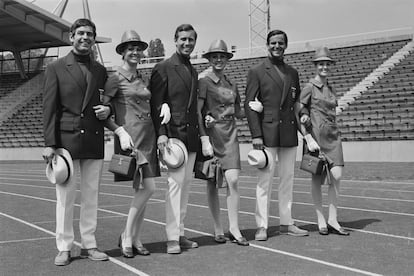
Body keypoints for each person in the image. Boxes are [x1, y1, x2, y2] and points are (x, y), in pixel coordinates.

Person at [42, 18, 110, 266]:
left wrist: (108, 110)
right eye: (80, 33)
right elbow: (49, 107)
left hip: (93, 138)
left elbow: (107, 101)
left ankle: (90, 244)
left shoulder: (101, 70)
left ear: (94, 38)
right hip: (66, 141)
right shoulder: (56, 67)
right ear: (71, 37)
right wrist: (50, 142)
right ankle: (64, 246)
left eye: (90, 34)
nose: (85, 37)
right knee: (65, 197)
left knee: (92, 196)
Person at [103, 30, 164, 258]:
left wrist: (163, 107)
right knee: (149, 188)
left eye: (138, 48)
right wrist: (118, 132)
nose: (135, 52)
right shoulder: (114, 78)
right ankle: (126, 236)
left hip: (148, 137)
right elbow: (104, 112)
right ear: (122, 52)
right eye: (130, 48)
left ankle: (136, 238)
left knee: (143, 190)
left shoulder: (143, 78)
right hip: (131, 139)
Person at [244, 29, 309, 241]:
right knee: (265, 181)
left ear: (286, 46)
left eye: (280, 43)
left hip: (289, 132)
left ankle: (286, 222)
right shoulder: (257, 71)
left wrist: (305, 116)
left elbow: (297, 102)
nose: (277, 46)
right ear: (267, 45)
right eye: (273, 43)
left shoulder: (293, 73)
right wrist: (256, 135)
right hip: (268, 133)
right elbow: (249, 105)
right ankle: (261, 225)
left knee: (287, 180)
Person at [149, 24, 200, 254]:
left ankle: (180, 232)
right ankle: (171, 237)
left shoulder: (193, 69)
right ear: (175, 40)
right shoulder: (163, 67)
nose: (187, 43)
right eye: (183, 39)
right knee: (175, 187)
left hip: (191, 136)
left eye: (190, 40)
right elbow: (156, 104)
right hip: (173, 137)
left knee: (186, 188)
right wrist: (161, 134)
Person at [197, 39, 249, 246]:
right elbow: (198, 111)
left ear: (227, 59)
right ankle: (218, 228)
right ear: (210, 59)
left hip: (230, 135)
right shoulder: (203, 82)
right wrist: (204, 136)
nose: (219, 59)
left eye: (222, 56)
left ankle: (234, 228)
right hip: (212, 135)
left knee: (233, 180)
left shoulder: (232, 83)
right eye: (215, 56)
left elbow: (238, 112)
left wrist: (255, 108)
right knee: (212, 182)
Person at [298, 46, 349, 236]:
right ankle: (321, 219)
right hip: (316, 139)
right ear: (316, 66)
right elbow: (299, 108)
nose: (324, 67)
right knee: (317, 179)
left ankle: (333, 219)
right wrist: (305, 122)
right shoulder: (309, 87)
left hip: (333, 138)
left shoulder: (331, 88)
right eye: (321, 63)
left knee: (336, 177)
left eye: (327, 63)